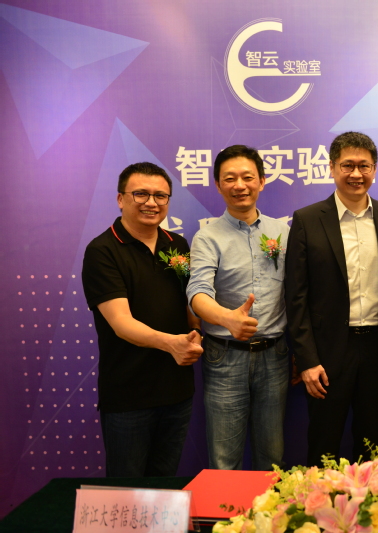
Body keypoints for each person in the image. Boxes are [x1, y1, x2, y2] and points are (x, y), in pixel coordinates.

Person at [285, 131, 378, 466]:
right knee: (323, 442)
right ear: (332, 168)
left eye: (364, 166)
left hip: (377, 348)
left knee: (370, 442)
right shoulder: (308, 219)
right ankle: (318, 501)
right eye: (348, 165)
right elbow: (296, 296)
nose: (357, 174)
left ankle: (368, 499)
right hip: (327, 351)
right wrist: (307, 359)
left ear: (375, 169)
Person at [82, 162, 202, 477]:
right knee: (127, 491)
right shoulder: (102, 251)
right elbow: (121, 323)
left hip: (177, 391)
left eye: (160, 196)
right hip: (129, 395)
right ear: (121, 199)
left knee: (164, 486)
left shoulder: (177, 245)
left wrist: (198, 329)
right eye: (141, 194)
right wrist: (172, 344)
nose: (152, 203)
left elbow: (188, 305)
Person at [187, 145, 290, 470]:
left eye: (247, 177)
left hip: (275, 356)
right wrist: (227, 318)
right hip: (225, 357)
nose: (239, 185)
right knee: (224, 461)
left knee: (272, 459)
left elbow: (299, 293)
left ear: (262, 181)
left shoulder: (283, 232)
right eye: (229, 178)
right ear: (218, 185)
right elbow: (197, 292)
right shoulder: (207, 238)